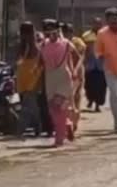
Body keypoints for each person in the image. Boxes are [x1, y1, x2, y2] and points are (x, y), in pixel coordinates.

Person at [39, 19, 81, 147]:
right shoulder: (42, 45)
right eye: (47, 30)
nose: (50, 34)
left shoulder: (67, 44)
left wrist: (75, 70)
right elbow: (40, 62)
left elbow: (78, 57)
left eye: (52, 30)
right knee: (52, 109)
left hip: (63, 77)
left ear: (58, 30)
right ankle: (67, 124)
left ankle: (59, 138)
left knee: (60, 107)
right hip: (50, 79)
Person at [15, 22, 43, 138]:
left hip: (28, 77)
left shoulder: (27, 45)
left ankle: (21, 129)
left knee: (28, 105)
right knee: (30, 104)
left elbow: (20, 61)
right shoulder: (33, 44)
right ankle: (37, 127)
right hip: (28, 77)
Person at [61, 23, 86, 137]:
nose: (66, 35)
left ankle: (74, 123)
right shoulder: (60, 42)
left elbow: (80, 58)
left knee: (75, 98)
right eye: (65, 32)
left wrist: (75, 70)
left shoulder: (78, 42)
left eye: (68, 32)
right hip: (64, 73)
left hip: (77, 73)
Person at [82, 17, 107, 112]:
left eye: (99, 23)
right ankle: (90, 100)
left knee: (101, 86)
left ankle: (97, 105)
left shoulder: (105, 35)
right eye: (95, 23)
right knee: (89, 85)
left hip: (101, 65)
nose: (97, 25)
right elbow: (83, 49)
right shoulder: (86, 35)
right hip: (90, 65)